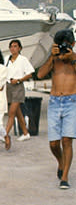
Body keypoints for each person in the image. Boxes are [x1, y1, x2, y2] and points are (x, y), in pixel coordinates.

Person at [37, 29, 75, 190]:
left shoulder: (74, 59)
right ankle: (61, 162)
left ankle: (64, 177)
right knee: (53, 144)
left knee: (67, 140)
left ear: (73, 44)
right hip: (54, 101)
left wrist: (72, 59)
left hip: (71, 101)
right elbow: (40, 75)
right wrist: (52, 57)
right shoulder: (54, 60)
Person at [4, 39, 35, 140]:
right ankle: (26, 133)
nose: (13, 48)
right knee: (18, 112)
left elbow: (30, 73)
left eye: (15, 46)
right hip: (8, 87)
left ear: (20, 48)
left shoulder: (23, 59)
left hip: (18, 87)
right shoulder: (6, 59)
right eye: (11, 46)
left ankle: (5, 134)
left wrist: (19, 80)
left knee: (11, 112)